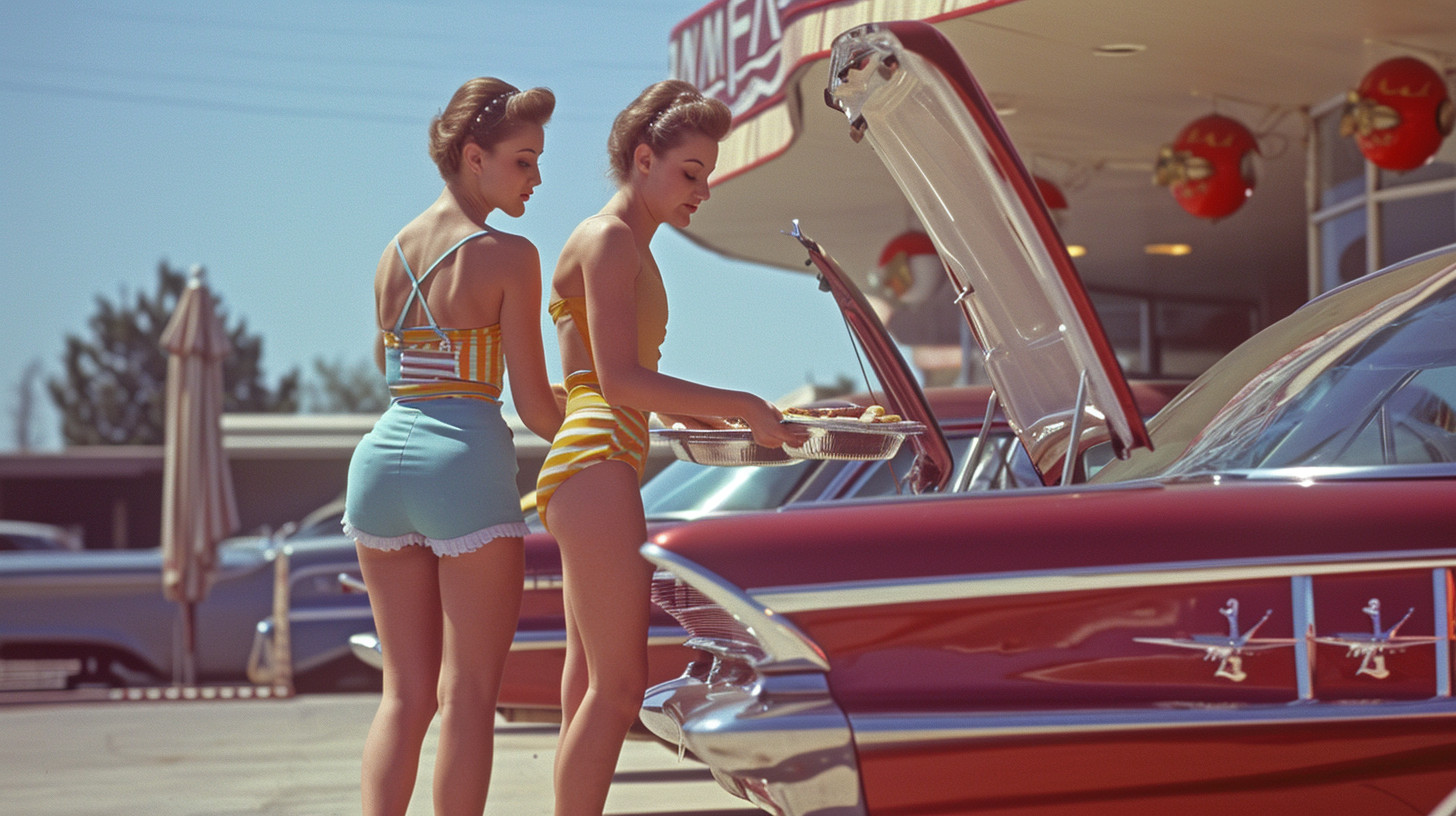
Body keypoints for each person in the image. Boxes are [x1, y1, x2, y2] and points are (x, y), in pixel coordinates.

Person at [536, 79, 809, 816]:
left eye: (709, 175)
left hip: (594, 458)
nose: (705, 191)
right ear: (644, 157)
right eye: (692, 173)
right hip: (597, 460)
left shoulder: (618, 242)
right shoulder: (610, 239)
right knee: (619, 688)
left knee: (587, 682)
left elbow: (609, 382)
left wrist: (719, 421)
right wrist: (743, 406)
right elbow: (619, 382)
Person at [341, 77, 563, 816]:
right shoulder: (510, 256)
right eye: (524, 161)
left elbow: (390, 367)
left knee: (404, 696)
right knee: (468, 696)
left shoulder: (391, 252)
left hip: (379, 467)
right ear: (475, 156)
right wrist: (610, 418)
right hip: (463, 469)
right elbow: (535, 406)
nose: (537, 178)